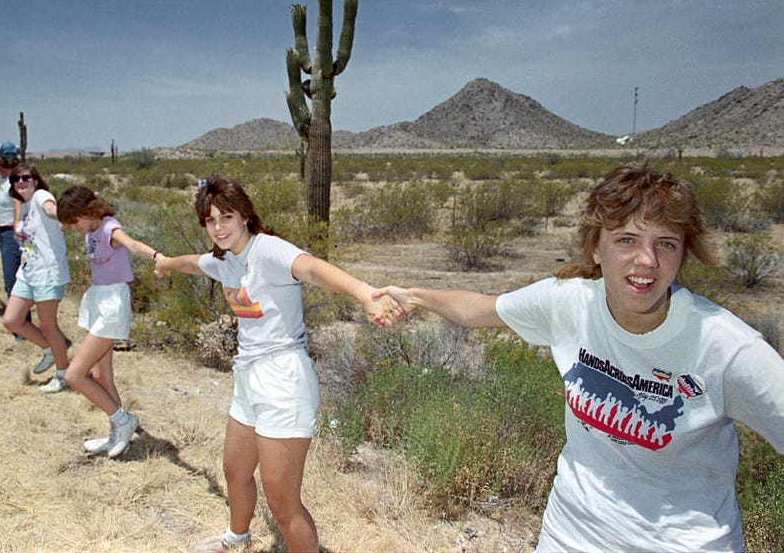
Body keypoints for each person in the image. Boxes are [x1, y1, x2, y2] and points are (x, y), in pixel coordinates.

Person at [374, 164, 784, 553]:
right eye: (626, 240)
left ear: (682, 255)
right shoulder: (568, 302)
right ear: (596, 249)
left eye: (665, 244)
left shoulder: (724, 346)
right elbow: (479, 309)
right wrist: (415, 297)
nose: (647, 261)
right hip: (571, 534)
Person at [154, 173, 395, 553]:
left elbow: (311, 267)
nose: (218, 228)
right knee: (235, 471)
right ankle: (236, 537)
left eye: (226, 217)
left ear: (245, 216)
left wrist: (364, 293)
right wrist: (166, 262)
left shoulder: (266, 249)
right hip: (248, 379)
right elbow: (194, 264)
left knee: (283, 504)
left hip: (284, 381)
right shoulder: (226, 259)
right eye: (210, 220)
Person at [56, 185, 159, 457]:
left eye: (75, 221)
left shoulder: (109, 229)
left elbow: (134, 246)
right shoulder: (90, 230)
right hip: (97, 299)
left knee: (74, 374)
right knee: (101, 375)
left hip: (112, 303)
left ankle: (123, 421)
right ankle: (117, 430)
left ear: (88, 211)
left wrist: (158, 258)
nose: (75, 228)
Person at [2, 163, 72, 394]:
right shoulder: (23, 205)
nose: (20, 182)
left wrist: (62, 214)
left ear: (35, 180)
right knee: (12, 320)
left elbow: (51, 209)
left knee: (49, 324)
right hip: (28, 271)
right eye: (15, 179)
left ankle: (63, 374)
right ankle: (51, 349)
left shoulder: (42, 196)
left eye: (25, 178)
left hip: (47, 272)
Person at [0, 142, 27, 339]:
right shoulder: (8, 179)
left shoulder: (15, 180)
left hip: (11, 236)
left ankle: (20, 330)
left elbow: (17, 202)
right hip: (4, 233)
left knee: (13, 282)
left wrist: (15, 225)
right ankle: (19, 327)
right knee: (13, 281)